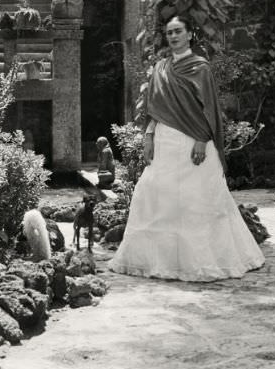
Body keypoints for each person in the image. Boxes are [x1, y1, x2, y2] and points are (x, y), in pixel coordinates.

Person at [108, 15, 265, 282]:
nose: (173, 36)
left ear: (190, 34)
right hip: (164, 141)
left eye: (178, 31)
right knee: (155, 193)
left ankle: (201, 262)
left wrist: (203, 139)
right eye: (169, 33)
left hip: (193, 142)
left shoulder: (200, 68)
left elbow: (209, 108)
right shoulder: (160, 68)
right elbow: (154, 109)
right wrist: (148, 136)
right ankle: (157, 261)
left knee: (196, 200)